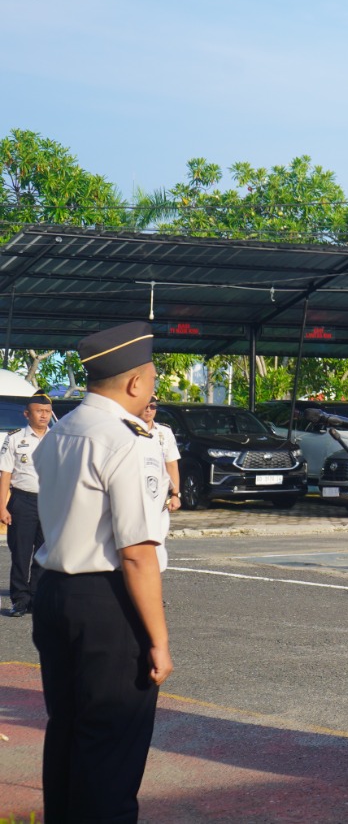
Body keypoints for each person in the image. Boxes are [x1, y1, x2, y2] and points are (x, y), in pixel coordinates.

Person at [32, 321, 173, 822]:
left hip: (54, 593)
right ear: (135, 382)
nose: (154, 386)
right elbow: (136, 552)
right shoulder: (129, 441)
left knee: (68, 732)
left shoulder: (61, 432)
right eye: (153, 376)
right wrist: (158, 639)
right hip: (108, 603)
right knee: (112, 747)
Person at [1, 390, 53, 617]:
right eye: (39, 411)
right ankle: (20, 600)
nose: (44, 416)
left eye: (48, 411)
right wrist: (2, 506)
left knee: (45, 553)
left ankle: (37, 597)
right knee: (21, 553)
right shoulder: (14, 438)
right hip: (23, 500)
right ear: (26, 414)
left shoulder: (58, 437)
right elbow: (6, 474)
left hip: (51, 502)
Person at [139, 398, 183, 522]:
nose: (148, 410)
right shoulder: (128, 430)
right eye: (145, 406)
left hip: (158, 495)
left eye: (152, 406)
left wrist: (175, 495)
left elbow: (171, 464)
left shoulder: (164, 432)